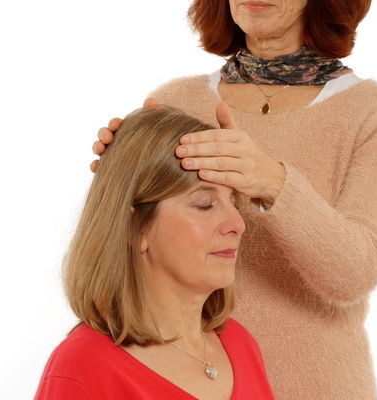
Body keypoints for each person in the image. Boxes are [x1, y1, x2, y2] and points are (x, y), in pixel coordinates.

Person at [91, 1, 377, 399]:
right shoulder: (174, 100)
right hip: (186, 385)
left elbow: (355, 272)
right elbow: (134, 254)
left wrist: (273, 182)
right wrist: (119, 180)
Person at [34, 106, 277, 400]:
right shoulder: (82, 369)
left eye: (234, 202)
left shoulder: (239, 344)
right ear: (136, 227)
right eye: (204, 203)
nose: (237, 224)